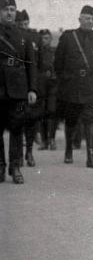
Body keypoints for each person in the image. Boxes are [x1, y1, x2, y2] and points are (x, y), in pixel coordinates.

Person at [54, 5, 93, 169]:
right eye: (86, 18)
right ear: (80, 19)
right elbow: (58, 63)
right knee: (71, 119)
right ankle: (69, 149)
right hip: (72, 86)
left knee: (90, 119)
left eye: (92, 19)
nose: (89, 21)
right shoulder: (68, 37)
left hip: (91, 86)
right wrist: (67, 80)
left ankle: (91, 156)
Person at [0, 0, 37, 184]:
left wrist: (32, 89)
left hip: (18, 88)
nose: (9, 13)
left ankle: (15, 167)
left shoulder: (24, 36)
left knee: (16, 128)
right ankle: (0, 166)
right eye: (5, 9)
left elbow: (31, 64)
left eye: (12, 10)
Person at [16, 9, 41, 167]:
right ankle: (18, 155)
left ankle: (29, 152)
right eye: (21, 24)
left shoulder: (34, 37)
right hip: (17, 83)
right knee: (18, 120)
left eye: (26, 23)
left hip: (32, 82)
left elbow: (38, 61)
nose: (24, 26)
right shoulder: (13, 36)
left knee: (32, 120)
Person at [36, 29, 58, 151]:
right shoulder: (36, 53)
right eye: (43, 38)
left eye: (48, 38)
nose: (46, 41)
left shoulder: (55, 52)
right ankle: (44, 141)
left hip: (53, 86)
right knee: (41, 114)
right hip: (40, 86)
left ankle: (52, 139)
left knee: (52, 113)